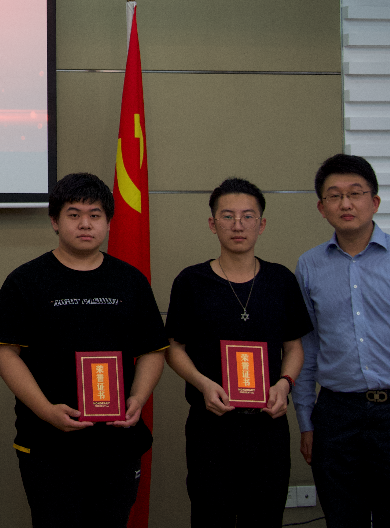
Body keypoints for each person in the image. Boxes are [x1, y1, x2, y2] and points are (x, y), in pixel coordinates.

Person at [0, 172, 167, 528]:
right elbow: (5, 353)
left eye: (95, 215)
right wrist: (46, 411)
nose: (85, 224)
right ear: (55, 221)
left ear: (108, 222)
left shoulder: (130, 281)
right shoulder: (26, 281)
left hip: (116, 443)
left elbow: (152, 349)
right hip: (48, 443)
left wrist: (138, 398)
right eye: (74, 214)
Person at [294, 154, 390, 528]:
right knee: (342, 520)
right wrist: (306, 420)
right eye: (334, 195)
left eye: (356, 193)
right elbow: (306, 348)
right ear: (321, 208)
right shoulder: (309, 266)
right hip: (335, 416)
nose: (345, 203)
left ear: (374, 201)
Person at [165, 177, 312, 527]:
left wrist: (285, 384)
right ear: (212, 223)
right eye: (227, 216)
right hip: (210, 426)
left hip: (268, 427)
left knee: (264, 519)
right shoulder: (191, 282)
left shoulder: (280, 280)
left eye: (248, 216)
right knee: (210, 518)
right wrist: (203, 384)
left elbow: (294, 347)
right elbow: (174, 348)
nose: (238, 225)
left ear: (262, 224)